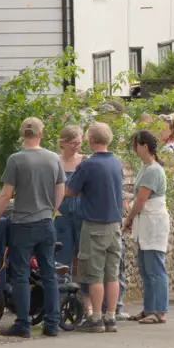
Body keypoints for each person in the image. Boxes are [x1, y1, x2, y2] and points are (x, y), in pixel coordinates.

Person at [0, 118, 65, 338]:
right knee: (48, 273)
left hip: (22, 224)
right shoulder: (53, 159)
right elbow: (61, 189)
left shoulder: (16, 160)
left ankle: (23, 323)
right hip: (46, 223)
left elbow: (5, 194)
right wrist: (52, 210)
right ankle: (52, 323)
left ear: (22, 135)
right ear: (41, 134)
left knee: (20, 274)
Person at [65, 122, 126, 332]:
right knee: (112, 274)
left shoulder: (89, 165)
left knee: (94, 275)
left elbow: (70, 190)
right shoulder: (116, 162)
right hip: (115, 225)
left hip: (94, 225)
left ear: (90, 141)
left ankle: (96, 317)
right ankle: (111, 317)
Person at [124, 130, 172, 323]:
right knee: (145, 267)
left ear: (143, 146)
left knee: (155, 267)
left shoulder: (152, 170)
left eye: (135, 145)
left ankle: (159, 311)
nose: (134, 149)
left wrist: (128, 219)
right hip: (146, 222)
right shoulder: (146, 167)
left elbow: (141, 200)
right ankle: (149, 308)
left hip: (153, 222)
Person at [55, 124, 86, 284]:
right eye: (72, 143)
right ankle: (61, 297)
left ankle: (83, 297)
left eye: (79, 143)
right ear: (63, 142)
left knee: (85, 255)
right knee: (62, 255)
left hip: (81, 210)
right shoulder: (55, 161)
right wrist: (56, 209)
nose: (76, 147)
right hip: (61, 212)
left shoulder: (84, 161)